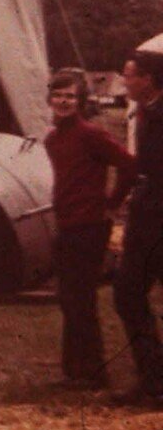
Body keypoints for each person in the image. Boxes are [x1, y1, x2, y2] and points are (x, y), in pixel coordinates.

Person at [43, 68, 136, 389]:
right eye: (58, 95)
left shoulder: (91, 134)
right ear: (50, 99)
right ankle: (74, 371)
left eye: (70, 96)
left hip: (90, 225)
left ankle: (95, 373)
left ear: (81, 100)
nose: (63, 102)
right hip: (66, 224)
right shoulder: (53, 138)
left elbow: (129, 166)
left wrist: (112, 202)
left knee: (81, 300)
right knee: (68, 299)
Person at [112, 49, 163, 404]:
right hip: (146, 218)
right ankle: (153, 377)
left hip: (155, 221)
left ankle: (154, 379)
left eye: (129, 75)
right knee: (128, 293)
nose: (124, 81)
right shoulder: (144, 112)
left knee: (129, 293)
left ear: (148, 79)